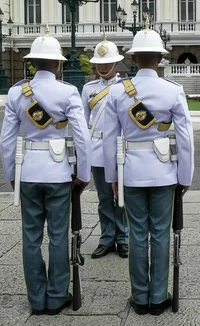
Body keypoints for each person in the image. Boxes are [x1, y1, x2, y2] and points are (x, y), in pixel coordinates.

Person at [102, 25, 194, 316]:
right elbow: (185, 138)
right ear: (159, 58)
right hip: (164, 173)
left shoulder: (118, 93)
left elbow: (108, 139)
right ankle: (157, 298)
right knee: (161, 234)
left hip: (130, 172)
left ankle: (139, 298)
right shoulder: (172, 91)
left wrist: (112, 178)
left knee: (138, 234)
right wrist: (185, 177)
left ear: (134, 58)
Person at [0, 31, 91, 316]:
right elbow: (82, 137)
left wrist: (12, 174)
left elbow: (6, 139)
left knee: (31, 237)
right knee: (58, 236)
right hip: (59, 172)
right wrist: (83, 173)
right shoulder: (67, 92)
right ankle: (56, 296)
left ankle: (36, 298)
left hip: (28, 172)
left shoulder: (17, 92)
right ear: (57, 64)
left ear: (32, 63)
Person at [81, 37, 129, 259]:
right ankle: (106, 237)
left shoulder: (126, 88)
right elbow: (83, 122)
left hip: (119, 149)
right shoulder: (88, 89)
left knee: (121, 196)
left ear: (116, 64)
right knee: (103, 197)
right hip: (98, 149)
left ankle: (123, 238)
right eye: (99, 63)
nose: (102, 67)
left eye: (106, 62)